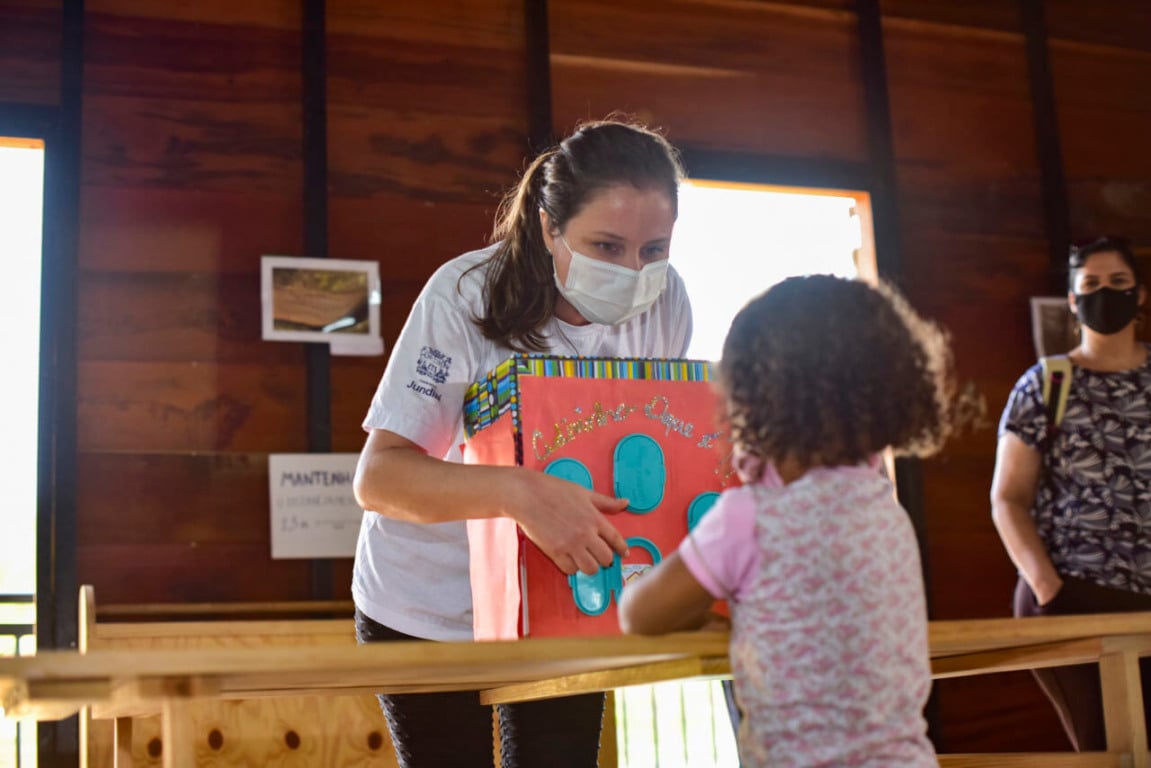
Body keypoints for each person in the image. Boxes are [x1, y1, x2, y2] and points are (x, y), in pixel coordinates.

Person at [351, 119, 693, 768]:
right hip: (429, 604)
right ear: (547, 228)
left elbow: (650, 452)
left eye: (653, 249)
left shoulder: (667, 301)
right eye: (606, 245)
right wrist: (516, 492)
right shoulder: (462, 295)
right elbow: (381, 479)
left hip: (566, 596)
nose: (632, 271)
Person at [618, 274, 955, 768]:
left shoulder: (751, 518)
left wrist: (707, 614)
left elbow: (640, 615)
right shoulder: (887, 514)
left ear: (752, 402)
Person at [991, 235, 1151, 751]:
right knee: (1110, 749)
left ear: (1140, 294)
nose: (1107, 293)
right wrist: (1047, 589)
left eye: (1119, 282)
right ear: (1074, 302)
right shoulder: (1046, 384)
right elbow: (1008, 498)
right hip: (1073, 595)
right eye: (1092, 285)